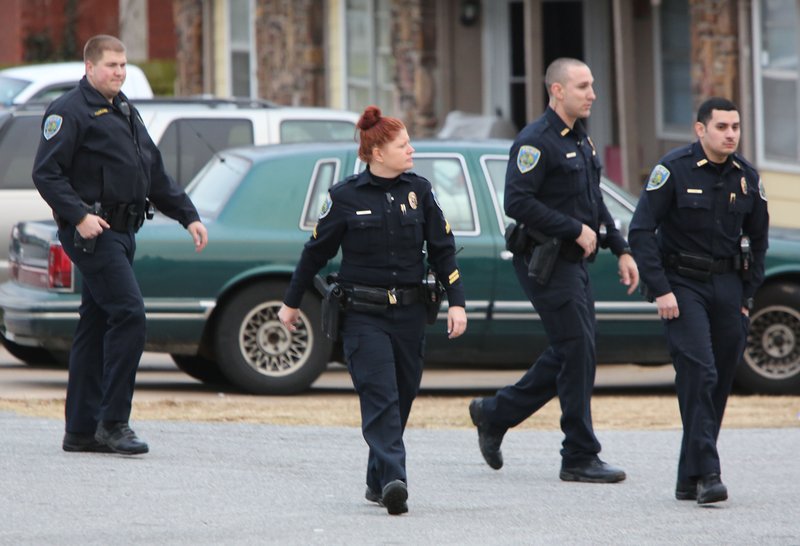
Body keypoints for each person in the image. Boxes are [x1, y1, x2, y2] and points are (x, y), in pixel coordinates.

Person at [278, 105, 467, 515]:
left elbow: (443, 250)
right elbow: (314, 254)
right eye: (403, 145)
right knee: (380, 395)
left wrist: (458, 304)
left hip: (411, 314)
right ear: (378, 153)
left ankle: (375, 479)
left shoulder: (420, 191)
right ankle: (396, 480)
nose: (412, 150)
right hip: (363, 315)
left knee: (401, 396)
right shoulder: (345, 197)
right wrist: (291, 303)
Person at [32, 35, 208, 455]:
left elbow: (154, 172)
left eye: (124, 65)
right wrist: (78, 215)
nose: (119, 72)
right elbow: (46, 173)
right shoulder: (68, 111)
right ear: (89, 67)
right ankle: (113, 422)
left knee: (95, 325)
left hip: (125, 231)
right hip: (94, 234)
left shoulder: (125, 108)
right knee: (129, 315)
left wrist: (188, 215)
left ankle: (80, 430)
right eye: (111, 65)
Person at [468, 58, 639, 483]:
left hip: (574, 262)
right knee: (577, 349)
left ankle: (495, 413)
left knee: (574, 350)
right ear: (557, 91)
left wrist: (620, 248)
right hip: (544, 260)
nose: (592, 94)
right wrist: (573, 228)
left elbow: (594, 199)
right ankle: (578, 455)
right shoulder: (535, 141)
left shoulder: (581, 139)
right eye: (583, 86)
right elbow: (516, 202)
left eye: (592, 84)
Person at [628, 97, 768, 504]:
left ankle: (688, 477)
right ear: (700, 129)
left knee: (719, 381)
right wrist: (661, 289)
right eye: (722, 126)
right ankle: (708, 473)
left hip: (728, 287)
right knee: (700, 373)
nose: (730, 134)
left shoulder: (746, 177)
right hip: (682, 285)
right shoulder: (672, 170)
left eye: (735, 127)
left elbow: (759, 239)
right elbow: (641, 232)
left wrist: (747, 295)